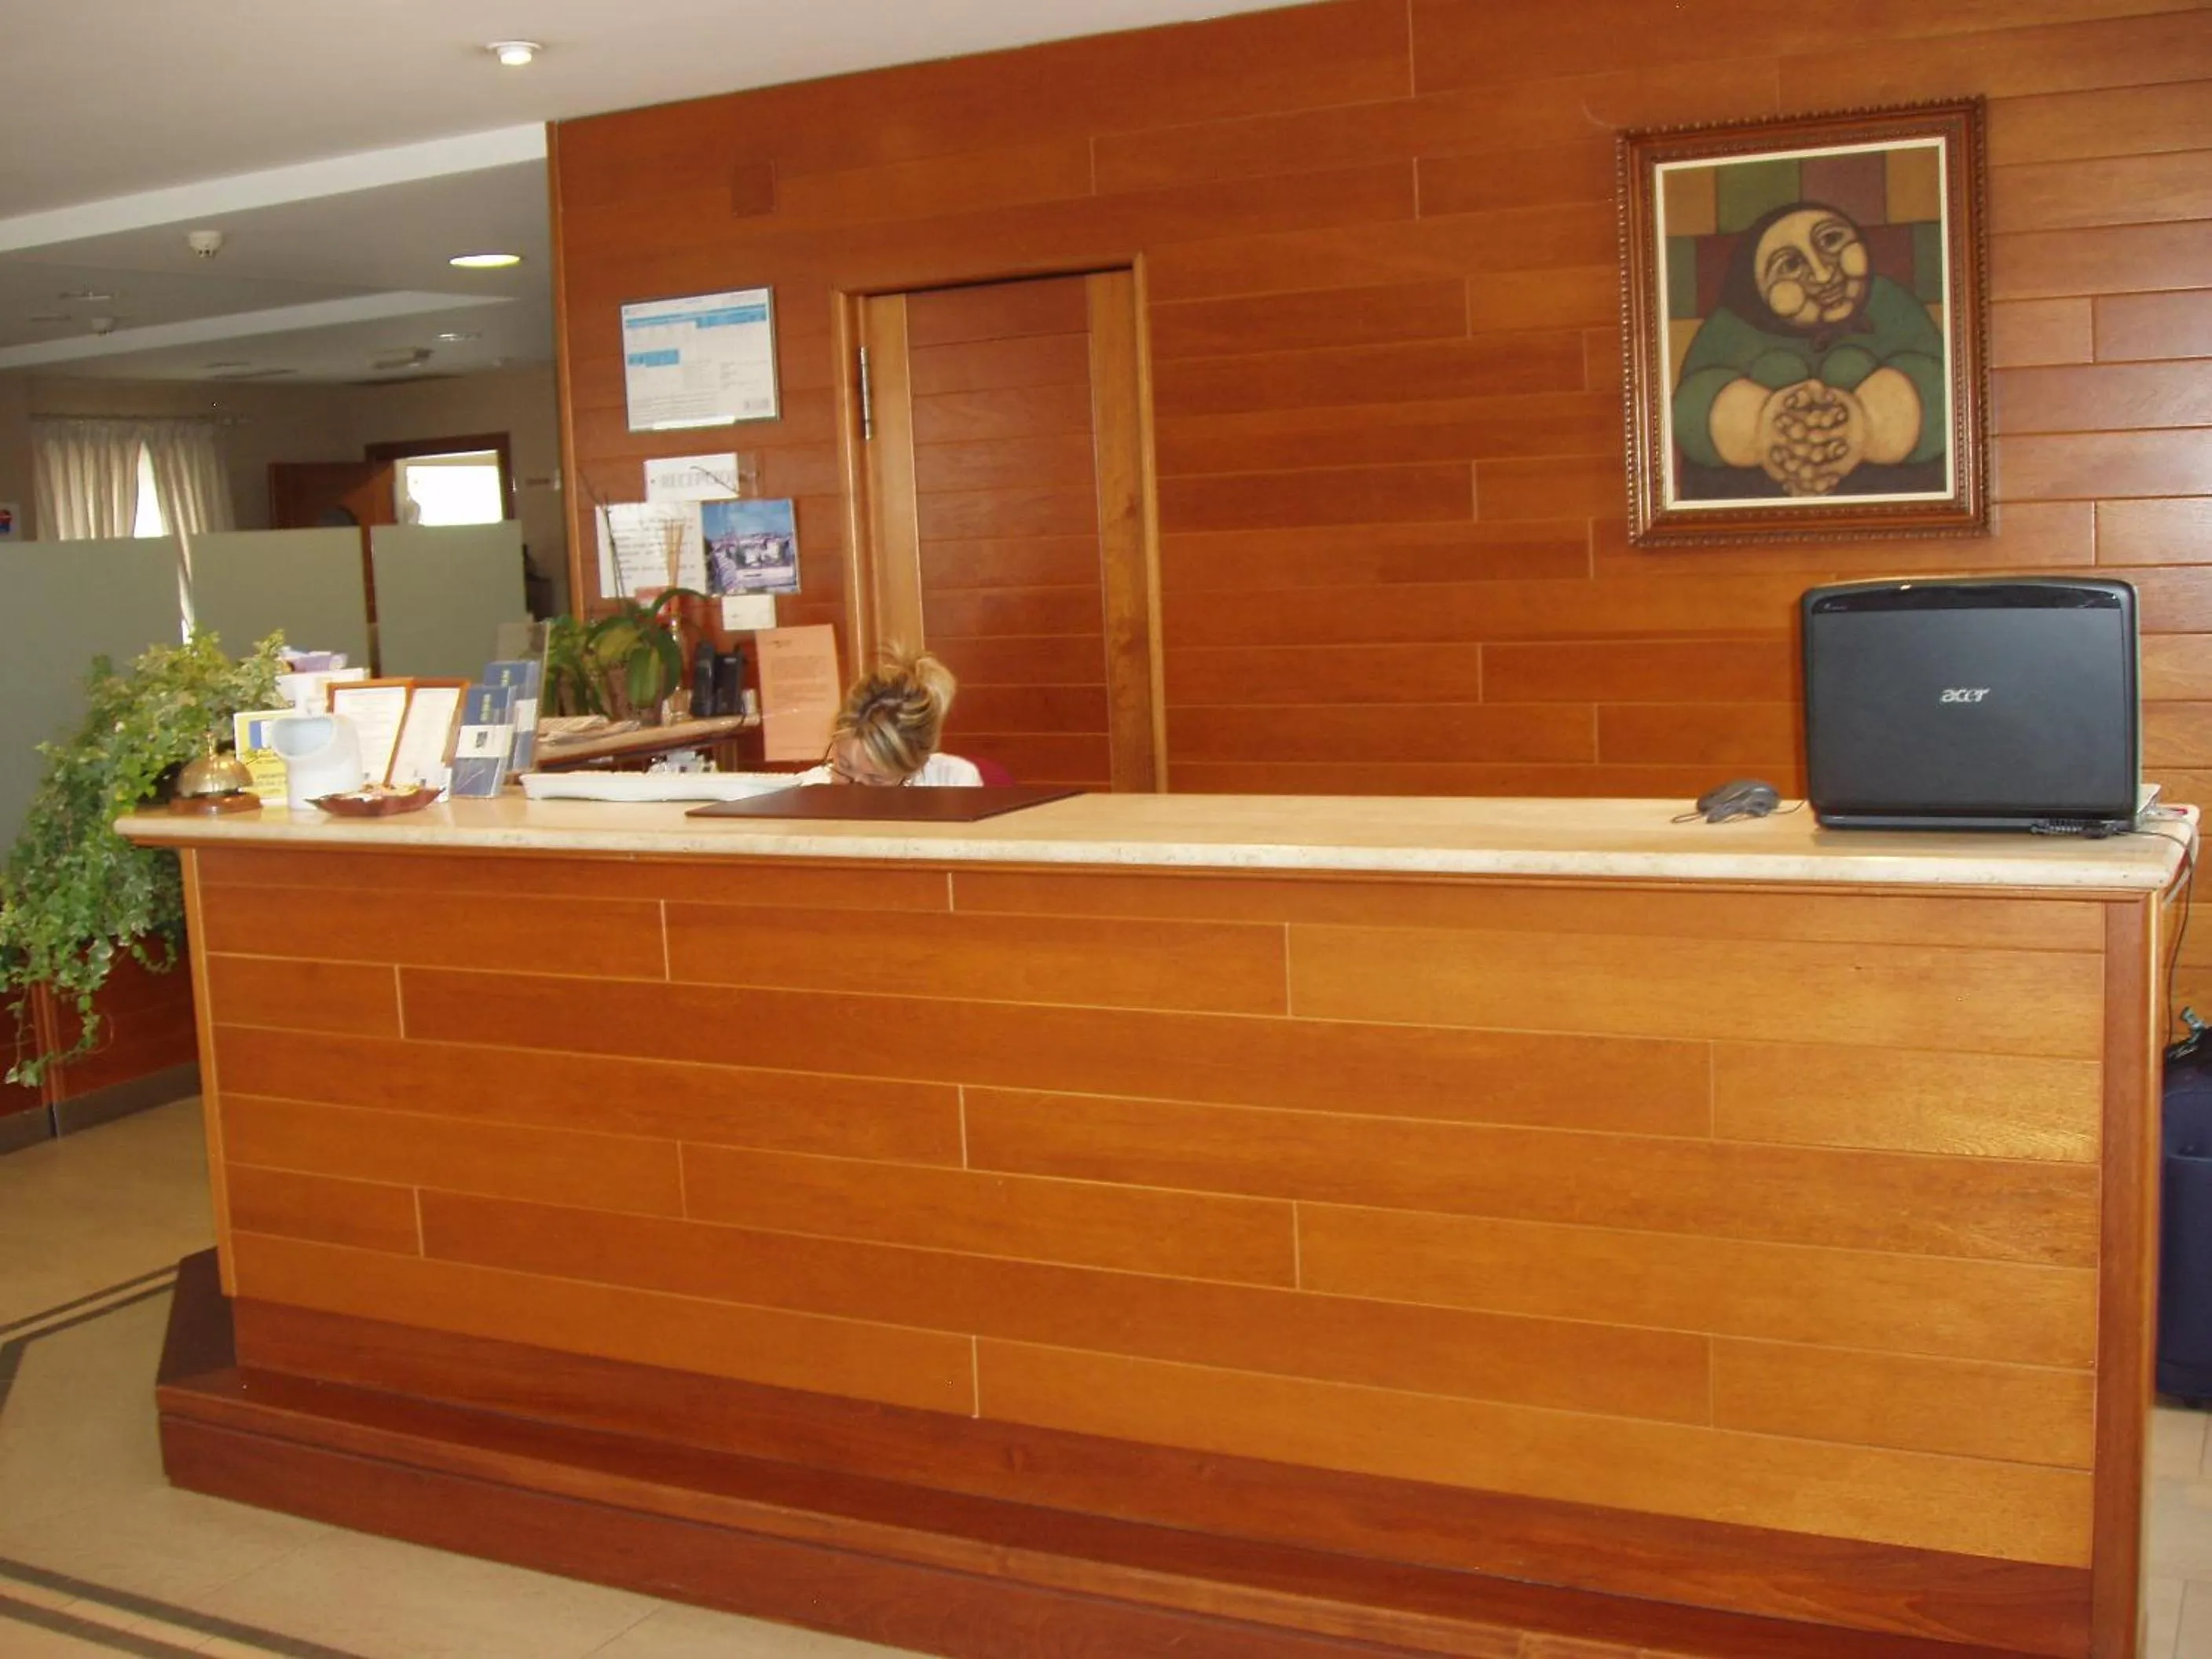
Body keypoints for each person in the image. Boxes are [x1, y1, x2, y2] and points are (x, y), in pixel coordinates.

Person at [1670, 200, 1946, 500]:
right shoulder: (1729, 327)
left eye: (1831, 240)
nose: (1824, 275)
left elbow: (1941, 393)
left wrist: (1863, 424)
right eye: (1790, 265)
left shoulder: (1890, 303)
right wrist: (1768, 427)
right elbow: (1691, 410)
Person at [796, 649, 982, 786]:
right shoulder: (814, 788)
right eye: (844, 766)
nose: (855, 790)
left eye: (875, 779)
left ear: (913, 770)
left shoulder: (953, 781)